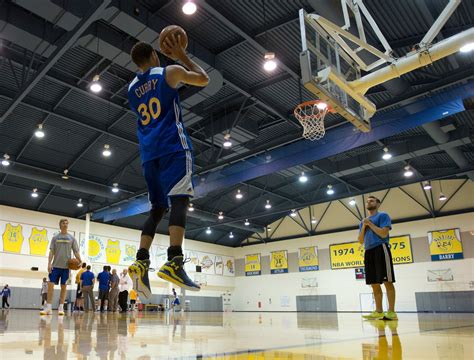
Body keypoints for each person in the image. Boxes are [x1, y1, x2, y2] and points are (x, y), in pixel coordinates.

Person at [126, 35, 209, 298]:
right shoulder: (169, 72)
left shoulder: (130, 89)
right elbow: (203, 78)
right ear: (154, 55)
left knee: (157, 208)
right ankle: (174, 259)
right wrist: (182, 55)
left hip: (149, 154)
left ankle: (141, 260)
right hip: (173, 147)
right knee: (180, 200)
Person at [358, 196, 397, 320]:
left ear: (378, 204)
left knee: (387, 281)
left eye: (372, 200)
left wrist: (370, 224)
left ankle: (391, 312)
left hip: (381, 248)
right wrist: (364, 226)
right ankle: (378, 311)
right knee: (374, 283)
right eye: (367, 201)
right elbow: (360, 241)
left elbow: (383, 233)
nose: (369, 202)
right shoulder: (362, 222)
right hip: (368, 251)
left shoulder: (383, 216)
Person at [41, 219, 81, 315]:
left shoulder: (72, 238)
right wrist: (49, 263)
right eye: (63, 223)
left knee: (64, 287)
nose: (65, 224)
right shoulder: (55, 238)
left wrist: (80, 260)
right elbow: (51, 252)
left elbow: (76, 251)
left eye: (67, 223)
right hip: (55, 266)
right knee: (50, 286)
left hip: (66, 268)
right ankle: (48, 308)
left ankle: (61, 308)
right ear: (60, 225)